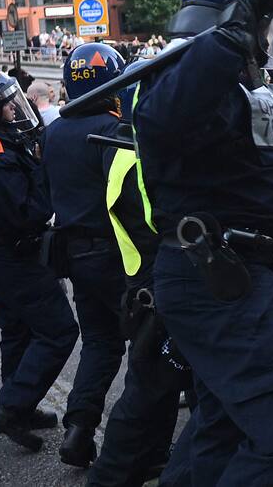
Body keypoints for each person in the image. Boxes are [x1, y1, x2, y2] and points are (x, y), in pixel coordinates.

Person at [133, 0, 273, 485]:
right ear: (243, 9)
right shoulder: (186, 68)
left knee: (220, 431)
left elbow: (232, 170)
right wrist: (227, 41)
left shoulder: (226, 77)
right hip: (216, 279)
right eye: (266, 14)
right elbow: (159, 122)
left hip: (240, 276)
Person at [0, 67, 78, 451]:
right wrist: (48, 173)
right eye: (6, 107)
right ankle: (11, 406)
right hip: (10, 254)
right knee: (59, 330)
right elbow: (30, 211)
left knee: (18, 329)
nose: (14, 111)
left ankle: (21, 406)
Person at [87, 62, 193, 487]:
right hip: (156, 288)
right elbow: (167, 227)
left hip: (151, 286)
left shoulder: (130, 147)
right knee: (145, 395)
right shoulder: (137, 159)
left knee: (155, 393)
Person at [43, 42, 130, 466]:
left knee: (100, 342)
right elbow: (129, 199)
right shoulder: (113, 131)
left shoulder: (55, 130)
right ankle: (139, 444)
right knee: (154, 343)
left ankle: (79, 427)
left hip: (75, 254)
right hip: (116, 254)